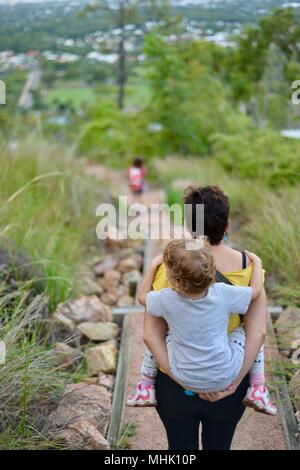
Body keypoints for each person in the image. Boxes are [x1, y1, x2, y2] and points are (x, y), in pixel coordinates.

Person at [128, 185, 269, 450]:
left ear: (188, 224)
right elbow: (258, 333)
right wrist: (232, 383)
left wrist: (183, 379)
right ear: (227, 225)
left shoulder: (170, 268)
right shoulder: (248, 268)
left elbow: (150, 334)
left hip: (176, 383)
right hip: (229, 381)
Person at [130, 238, 276, 417]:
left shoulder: (166, 298)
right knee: (248, 332)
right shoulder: (223, 293)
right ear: (212, 270)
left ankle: (146, 385)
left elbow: (142, 297)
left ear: (173, 278)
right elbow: (255, 291)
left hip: (183, 377)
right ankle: (258, 387)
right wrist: (257, 261)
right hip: (225, 374)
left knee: (160, 337)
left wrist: (153, 265)